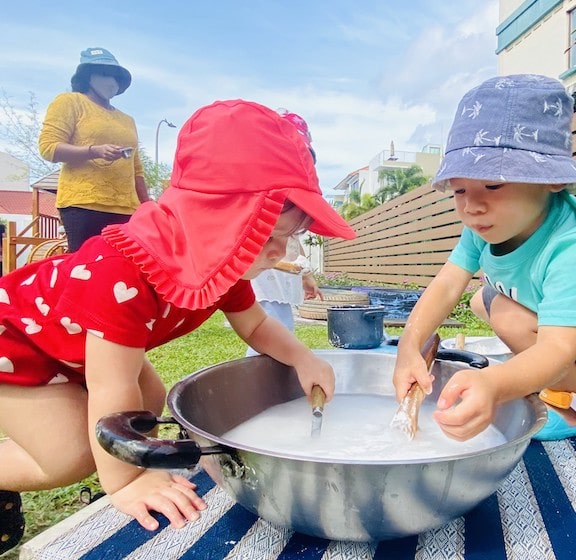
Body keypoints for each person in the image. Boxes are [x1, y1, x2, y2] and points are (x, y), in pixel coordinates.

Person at [0, 99, 356, 555]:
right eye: (267, 237)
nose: (280, 253)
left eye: (288, 238)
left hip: (73, 343)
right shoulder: (119, 270)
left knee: (146, 406)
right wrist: (129, 480)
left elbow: (256, 326)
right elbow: (110, 388)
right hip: (20, 342)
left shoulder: (218, 263)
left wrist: (303, 357)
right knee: (69, 455)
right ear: (212, 221)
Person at [392, 74, 576, 443]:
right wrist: (409, 345)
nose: (472, 205)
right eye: (459, 189)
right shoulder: (483, 224)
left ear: (552, 181)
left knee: (505, 312)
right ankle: (561, 388)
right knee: (482, 299)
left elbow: (557, 348)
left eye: (494, 184)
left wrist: (495, 384)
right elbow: (448, 282)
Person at [38, 47, 151, 252]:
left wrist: (147, 205)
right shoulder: (69, 102)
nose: (112, 82)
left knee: (123, 270)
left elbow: (137, 170)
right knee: (85, 268)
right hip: (84, 206)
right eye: (105, 74)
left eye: (116, 77)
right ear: (88, 76)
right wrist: (94, 151)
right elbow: (49, 148)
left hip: (127, 209)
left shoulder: (127, 120)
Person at [245, 110, 321, 354]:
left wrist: (306, 274)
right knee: (269, 325)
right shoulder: (259, 196)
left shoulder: (296, 203)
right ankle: (263, 371)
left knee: (282, 325)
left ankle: (276, 366)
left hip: (284, 275)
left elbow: (293, 238)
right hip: (267, 276)